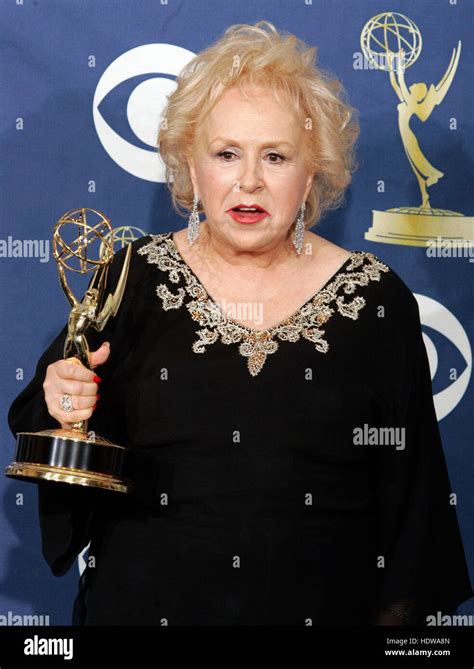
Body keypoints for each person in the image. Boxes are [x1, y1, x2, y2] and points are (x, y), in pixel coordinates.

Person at [7, 20, 472, 626]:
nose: (248, 181)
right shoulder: (130, 279)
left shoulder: (378, 300)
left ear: (312, 174)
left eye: (275, 156)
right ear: (190, 170)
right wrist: (64, 404)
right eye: (226, 154)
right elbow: (51, 438)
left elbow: (412, 506)